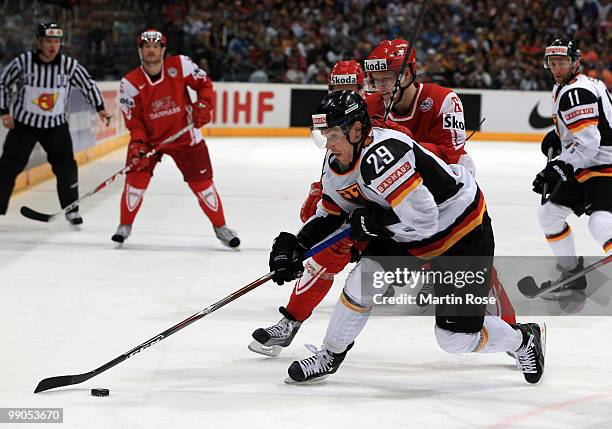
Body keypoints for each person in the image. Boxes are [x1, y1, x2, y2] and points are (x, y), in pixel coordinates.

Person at [249, 50, 516, 357]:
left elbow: (451, 156)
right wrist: (309, 222)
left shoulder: (441, 100)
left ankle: (509, 332)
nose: (382, 85)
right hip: (385, 207)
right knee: (330, 250)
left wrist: (405, 143)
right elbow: (345, 163)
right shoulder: (367, 107)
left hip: (440, 204)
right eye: (376, 79)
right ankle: (292, 322)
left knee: (472, 269)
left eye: (389, 77)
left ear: (408, 73)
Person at [268, 91, 546, 385]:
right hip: (407, 231)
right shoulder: (338, 160)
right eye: (324, 136)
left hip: (460, 231)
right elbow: (332, 212)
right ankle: (330, 355)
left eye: (334, 135)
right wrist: (297, 245)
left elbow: (425, 220)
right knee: (363, 280)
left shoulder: (383, 155)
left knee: (454, 340)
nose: (328, 145)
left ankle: (522, 339)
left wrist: (373, 222)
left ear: (357, 130)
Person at [114, 29, 239, 248]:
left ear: (163, 50)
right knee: (135, 180)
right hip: (151, 141)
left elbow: (204, 85)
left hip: (185, 137)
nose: (151, 50)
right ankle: (124, 226)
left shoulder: (180, 65)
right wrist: (139, 145)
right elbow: (134, 122)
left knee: (203, 185)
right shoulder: (129, 84)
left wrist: (204, 105)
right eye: (146, 46)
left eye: (155, 46)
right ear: (140, 50)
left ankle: (221, 228)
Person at [0, 22, 110, 225]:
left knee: (66, 167)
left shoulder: (68, 65)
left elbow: (87, 83)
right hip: (25, 125)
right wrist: (4, 111)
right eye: (49, 41)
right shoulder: (24, 62)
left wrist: (100, 107)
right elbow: (3, 83)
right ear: (39, 42)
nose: (53, 45)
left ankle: (71, 210)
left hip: (56, 126)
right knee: (8, 166)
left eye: (57, 41)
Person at [533, 38, 612, 297]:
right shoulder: (575, 86)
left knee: (600, 223)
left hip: (604, 167)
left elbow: (589, 144)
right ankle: (571, 273)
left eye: (563, 62)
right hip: (590, 165)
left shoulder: (574, 92)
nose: (557, 68)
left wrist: (559, 166)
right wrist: (561, 136)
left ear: (575, 62)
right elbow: (591, 128)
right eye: (552, 63)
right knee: (549, 214)